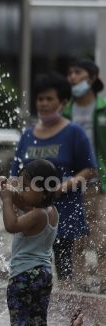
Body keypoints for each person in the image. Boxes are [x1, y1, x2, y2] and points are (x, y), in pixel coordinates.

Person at [11, 73, 97, 288]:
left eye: (50, 99)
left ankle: (65, 310)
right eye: (40, 99)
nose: (44, 103)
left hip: (63, 213)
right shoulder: (28, 135)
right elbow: (15, 173)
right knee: (31, 267)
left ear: (63, 102)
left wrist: (62, 187)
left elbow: (89, 169)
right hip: (29, 215)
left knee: (64, 268)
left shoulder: (74, 133)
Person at [0, 159, 59, 326]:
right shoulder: (50, 211)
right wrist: (8, 189)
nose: (21, 190)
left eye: (26, 186)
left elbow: (12, 224)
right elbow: (24, 202)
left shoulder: (36, 215)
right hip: (43, 275)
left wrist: (6, 199)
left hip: (23, 276)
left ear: (43, 191)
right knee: (40, 325)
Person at [63, 59, 106, 292]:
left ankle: (103, 279)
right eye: (69, 73)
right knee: (74, 231)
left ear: (91, 77)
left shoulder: (102, 108)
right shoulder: (66, 110)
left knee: (101, 232)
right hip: (73, 180)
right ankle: (79, 281)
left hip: (99, 180)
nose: (72, 77)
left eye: (77, 72)